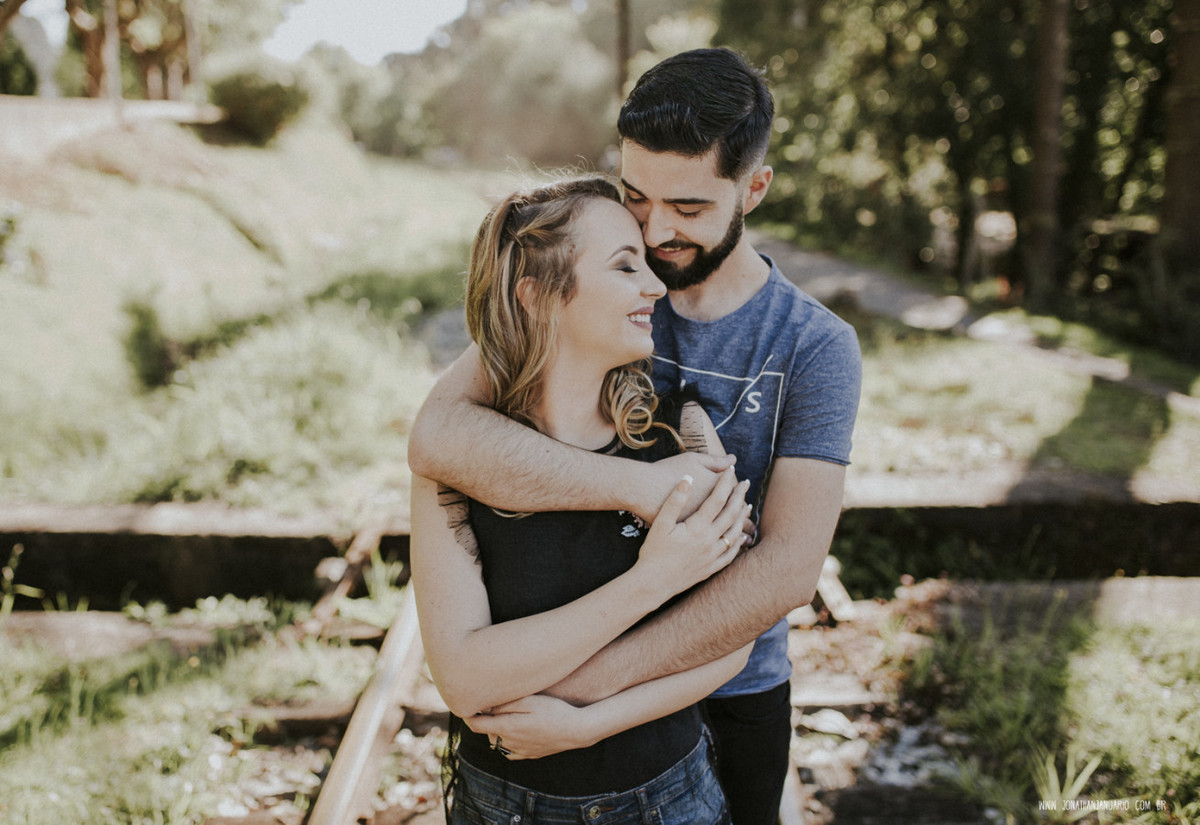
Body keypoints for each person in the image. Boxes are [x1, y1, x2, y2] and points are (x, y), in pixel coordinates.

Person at [408, 48, 862, 824]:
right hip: (556, 676)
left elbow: (785, 568)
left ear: (753, 189)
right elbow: (439, 436)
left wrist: (576, 694)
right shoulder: (587, 287)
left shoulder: (813, 345)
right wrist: (641, 486)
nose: (654, 233)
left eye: (687, 207)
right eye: (636, 197)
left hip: (730, 690)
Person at [410, 175, 758, 824]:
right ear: (537, 296)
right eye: (625, 266)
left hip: (670, 798)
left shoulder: (679, 436)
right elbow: (463, 679)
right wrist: (650, 582)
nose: (655, 286)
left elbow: (731, 639)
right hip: (503, 807)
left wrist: (590, 722)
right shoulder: (456, 464)